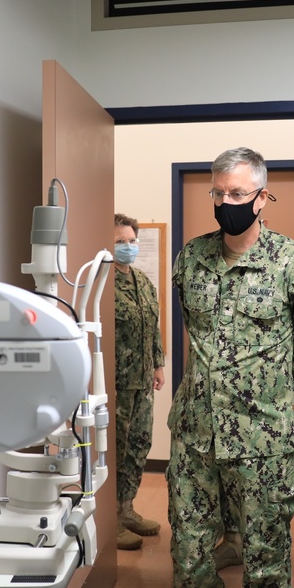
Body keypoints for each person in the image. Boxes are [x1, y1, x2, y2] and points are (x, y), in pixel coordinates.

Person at [168, 147, 294, 588]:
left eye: (237, 193)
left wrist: (262, 396)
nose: (225, 202)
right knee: (189, 552)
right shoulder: (191, 258)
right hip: (196, 436)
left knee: (266, 562)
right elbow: (191, 332)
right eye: (218, 192)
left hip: (263, 442)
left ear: (262, 198)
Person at [113, 213, 166, 551]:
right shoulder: (100, 283)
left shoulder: (143, 282)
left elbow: (154, 326)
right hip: (115, 384)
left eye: (132, 241)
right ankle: (109, 521)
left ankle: (126, 509)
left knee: (138, 447)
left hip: (143, 381)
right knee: (114, 451)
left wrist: (159, 364)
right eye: (120, 242)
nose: (129, 247)